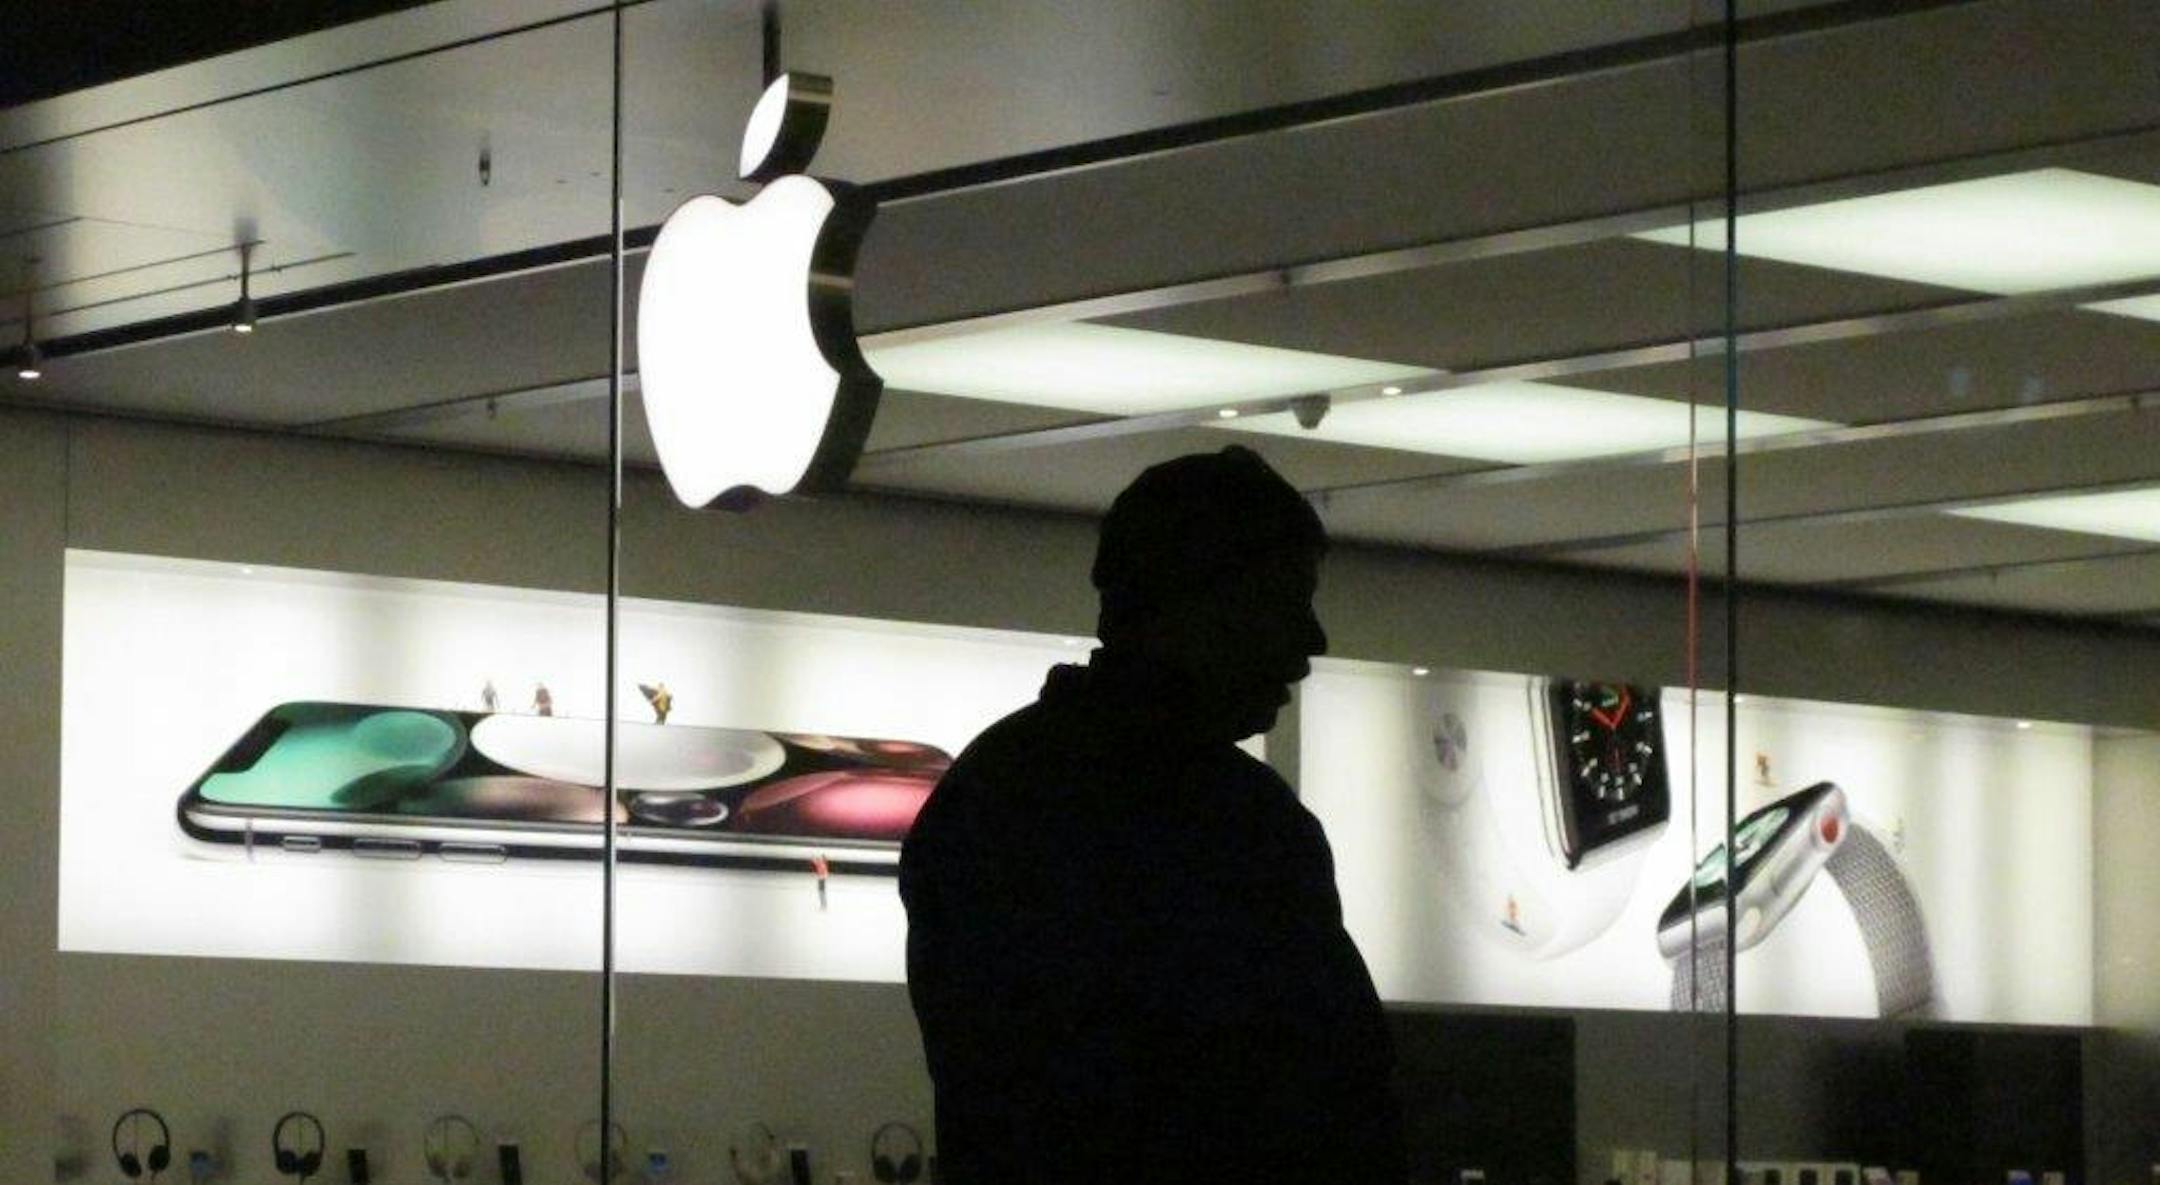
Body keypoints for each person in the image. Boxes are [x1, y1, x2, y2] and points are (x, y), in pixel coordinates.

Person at [900, 446, 1404, 1185]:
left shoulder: (989, 794)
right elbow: (1339, 1091)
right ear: (1205, 604)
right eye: (1287, 601)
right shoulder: (1242, 824)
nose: (1309, 643)